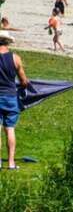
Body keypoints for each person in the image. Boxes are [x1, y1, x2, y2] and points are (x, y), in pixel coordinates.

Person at [0, 30, 29, 169]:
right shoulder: (15, 58)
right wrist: (23, 84)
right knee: (10, 129)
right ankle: (11, 163)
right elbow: (23, 81)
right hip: (10, 97)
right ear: (8, 42)